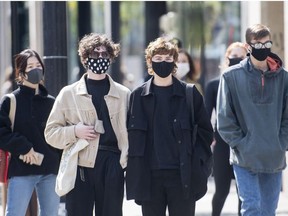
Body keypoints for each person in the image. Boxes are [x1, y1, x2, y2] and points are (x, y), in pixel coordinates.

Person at [44, 33, 131, 216]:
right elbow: (50, 133)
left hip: (112, 164)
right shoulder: (68, 93)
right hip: (80, 165)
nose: (100, 58)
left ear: (111, 57)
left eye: (105, 54)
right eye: (95, 54)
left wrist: (125, 163)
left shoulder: (124, 94)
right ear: (85, 58)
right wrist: (75, 131)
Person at [126, 37, 213, 216]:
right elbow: (129, 137)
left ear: (174, 62)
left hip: (182, 177)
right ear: (150, 62)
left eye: (167, 59)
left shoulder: (189, 94)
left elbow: (205, 133)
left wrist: (198, 164)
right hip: (150, 178)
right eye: (158, 59)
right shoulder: (138, 96)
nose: (163, 63)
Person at [217, 24, 288, 215]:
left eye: (267, 44)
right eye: (258, 44)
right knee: (251, 207)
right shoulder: (231, 77)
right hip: (244, 157)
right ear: (248, 47)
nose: (263, 48)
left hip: (274, 156)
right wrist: (242, 144)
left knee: (268, 210)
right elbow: (224, 118)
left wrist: (281, 143)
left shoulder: (284, 77)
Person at [0, 49, 60, 216]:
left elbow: (57, 132)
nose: (36, 69)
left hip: (50, 170)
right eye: (30, 66)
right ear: (21, 72)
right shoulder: (11, 100)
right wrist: (24, 148)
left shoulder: (51, 102)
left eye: (38, 65)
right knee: (14, 213)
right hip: (21, 169)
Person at [205, 42, 247, 216]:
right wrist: (208, 139)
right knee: (221, 190)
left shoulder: (248, 84)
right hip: (222, 142)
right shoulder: (214, 85)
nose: (236, 59)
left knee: (243, 192)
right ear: (226, 58)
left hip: (244, 142)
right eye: (233, 55)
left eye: (241, 56)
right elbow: (206, 116)